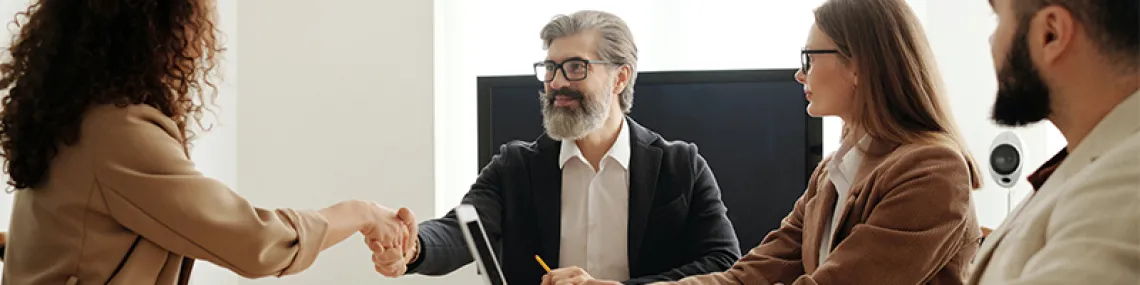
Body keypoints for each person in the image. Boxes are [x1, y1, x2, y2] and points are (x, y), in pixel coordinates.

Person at [0, 1, 416, 284]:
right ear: (157, 24)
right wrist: (360, 213)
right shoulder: (116, 132)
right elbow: (256, 243)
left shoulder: (74, 114)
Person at [371, 10, 741, 285]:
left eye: (575, 67)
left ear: (620, 77)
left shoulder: (681, 165)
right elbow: (459, 232)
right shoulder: (515, 166)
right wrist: (412, 246)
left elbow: (724, 263)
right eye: (550, 68)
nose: (557, 82)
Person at [651, 0, 984, 284]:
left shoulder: (934, 171)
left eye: (808, 58)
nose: (800, 74)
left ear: (859, 66)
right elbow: (746, 276)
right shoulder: (832, 172)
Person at [969, 0, 1139, 284]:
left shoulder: (1125, 185)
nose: (991, 41)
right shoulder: (1092, 158)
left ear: (1051, 34)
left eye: (997, 19)